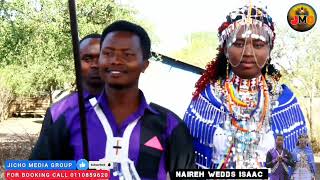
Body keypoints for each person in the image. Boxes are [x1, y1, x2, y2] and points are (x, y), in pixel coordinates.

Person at [31, 20, 195, 180]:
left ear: (144, 64)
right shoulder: (70, 120)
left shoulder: (170, 125)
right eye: (108, 53)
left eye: (127, 54)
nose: (115, 60)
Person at [183, 5, 310, 169]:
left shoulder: (285, 101)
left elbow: (300, 166)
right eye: (239, 43)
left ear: (269, 50)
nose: (248, 52)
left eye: (258, 45)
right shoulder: (206, 99)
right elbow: (185, 163)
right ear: (225, 49)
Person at [30, 33, 104, 159]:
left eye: (101, 58)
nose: (95, 65)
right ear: (76, 63)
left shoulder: (128, 108)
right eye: (87, 59)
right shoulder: (58, 111)